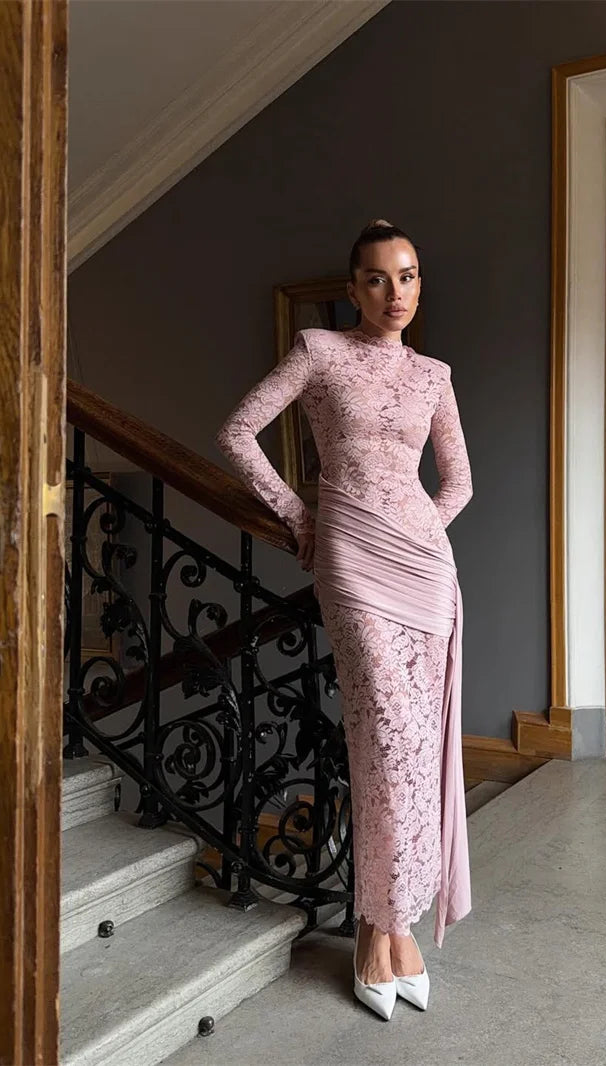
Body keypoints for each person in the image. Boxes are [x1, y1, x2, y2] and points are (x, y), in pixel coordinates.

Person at [215, 219, 473, 1020]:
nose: (395, 293)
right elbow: (236, 432)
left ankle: (393, 929)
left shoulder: (433, 373)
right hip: (354, 563)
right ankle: (377, 928)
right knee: (386, 740)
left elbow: (459, 481)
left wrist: (420, 528)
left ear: (419, 284)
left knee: (417, 748)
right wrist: (302, 517)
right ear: (352, 287)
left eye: (409, 276)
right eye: (376, 279)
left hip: (424, 569)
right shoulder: (319, 354)